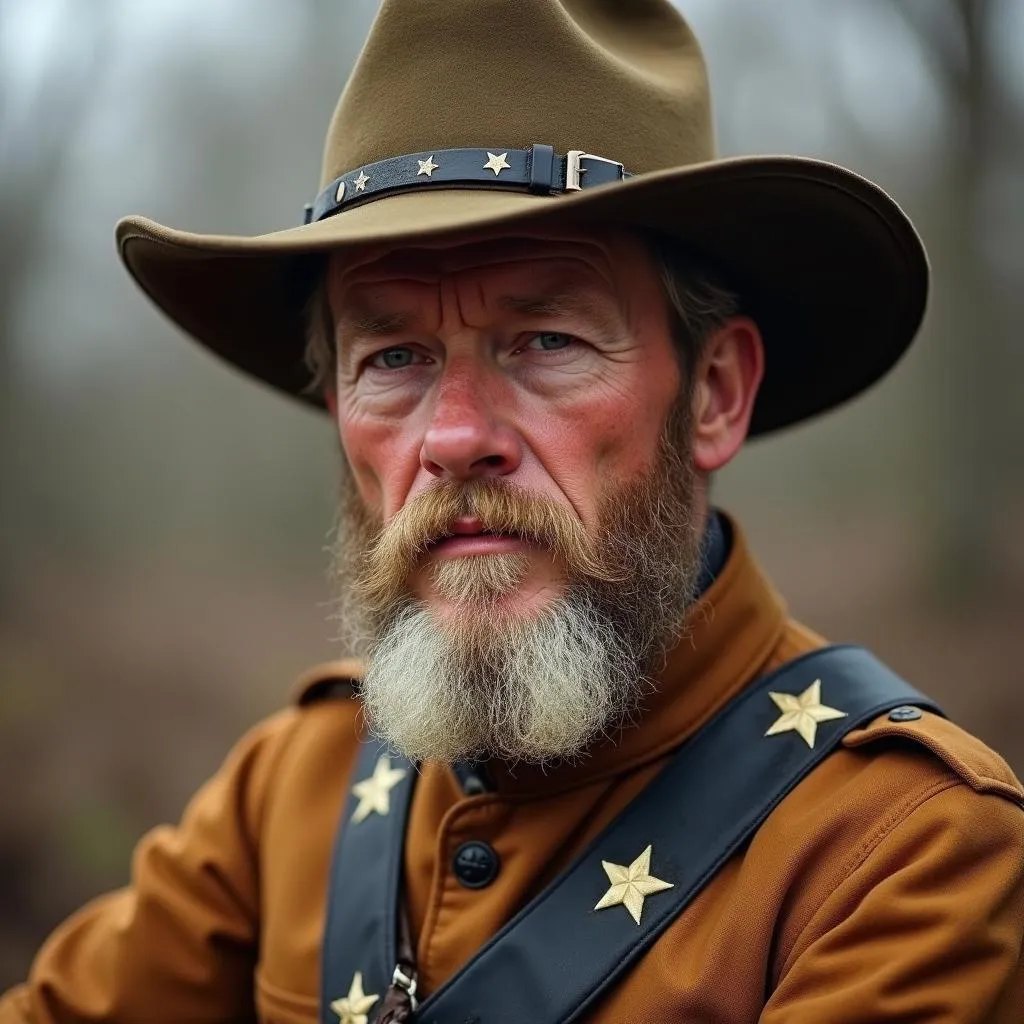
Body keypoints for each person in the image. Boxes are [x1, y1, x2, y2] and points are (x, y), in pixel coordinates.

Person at [4, 0, 1023, 1021]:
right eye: (393, 357)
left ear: (713, 391)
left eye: (545, 340)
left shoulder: (906, 853)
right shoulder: (292, 789)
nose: (453, 436)